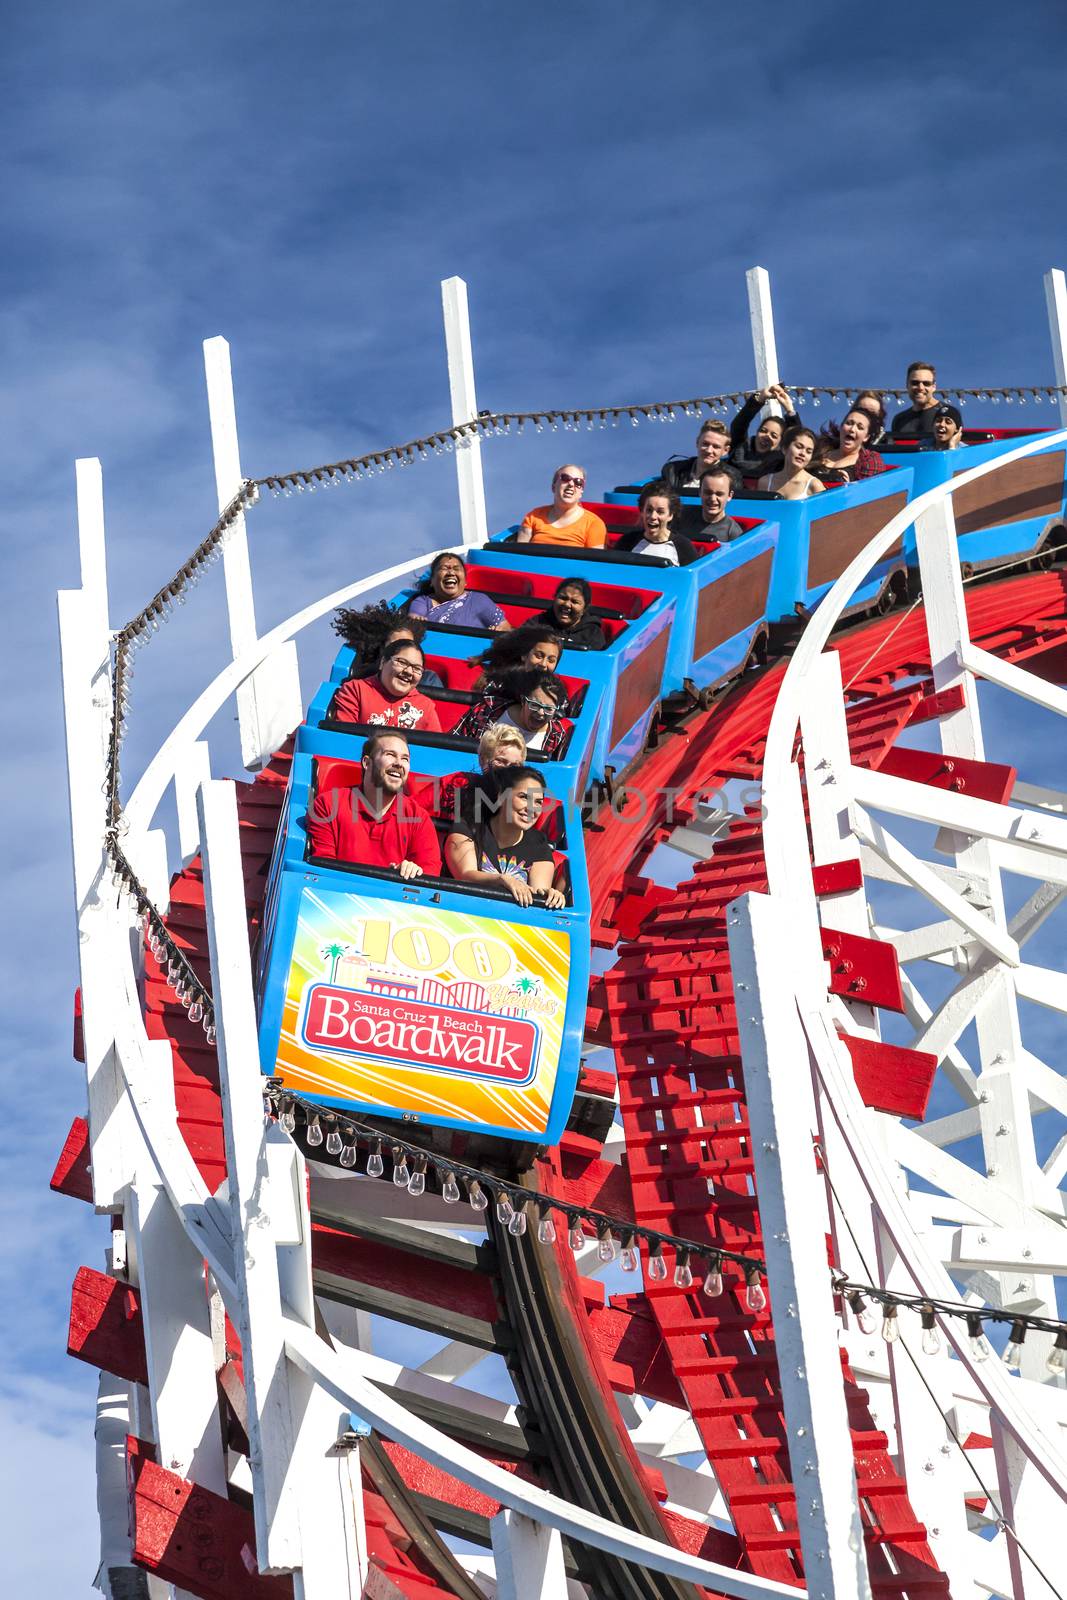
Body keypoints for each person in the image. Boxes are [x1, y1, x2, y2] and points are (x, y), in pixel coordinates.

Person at [306, 732, 441, 879]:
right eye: (390, 754)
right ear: (367, 763)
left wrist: (413, 872)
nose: (399, 763)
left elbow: (429, 877)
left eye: (405, 759)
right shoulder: (327, 805)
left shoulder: (419, 819)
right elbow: (322, 874)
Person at [445, 764, 566, 909]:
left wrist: (551, 896)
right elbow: (465, 875)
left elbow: (538, 895)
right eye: (523, 797)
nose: (531, 808)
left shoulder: (539, 846)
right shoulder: (468, 828)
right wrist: (502, 880)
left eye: (538, 802)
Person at [417, 724, 528, 824]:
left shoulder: (525, 800)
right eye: (500, 761)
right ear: (483, 759)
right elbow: (409, 813)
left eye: (514, 766)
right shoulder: (455, 783)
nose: (507, 770)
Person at [330, 639, 442, 732]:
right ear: (383, 662)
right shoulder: (355, 690)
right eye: (402, 662)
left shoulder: (426, 706)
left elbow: (436, 751)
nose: (409, 671)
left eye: (417, 669)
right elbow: (343, 739)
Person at [455, 667, 571, 756]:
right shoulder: (487, 710)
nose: (541, 712)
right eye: (535, 705)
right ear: (523, 700)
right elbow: (455, 744)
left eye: (548, 709)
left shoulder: (557, 737)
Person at [330, 602, 443, 688]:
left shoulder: (428, 679)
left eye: (408, 644)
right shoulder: (362, 681)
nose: (403, 651)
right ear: (382, 649)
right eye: (396, 645)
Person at [407, 551, 510, 631]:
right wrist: (417, 621)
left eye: (456, 569)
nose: (451, 572)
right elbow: (414, 618)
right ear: (432, 581)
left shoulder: (479, 600)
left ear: (465, 581)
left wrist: (498, 630)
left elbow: (506, 628)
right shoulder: (423, 601)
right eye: (444, 568)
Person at [515, 465, 607, 548]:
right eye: (565, 478)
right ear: (553, 487)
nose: (571, 484)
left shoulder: (594, 524)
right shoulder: (533, 516)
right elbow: (519, 553)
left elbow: (595, 564)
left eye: (578, 482)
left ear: (581, 492)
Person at [615, 481, 698, 565]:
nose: (653, 516)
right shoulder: (627, 541)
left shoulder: (683, 547)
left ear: (670, 515)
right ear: (642, 511)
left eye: (660, 512)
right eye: (649, 510)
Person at [729, 385, 801, 481]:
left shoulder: (781, 462)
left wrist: (789, 409)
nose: (767, 436)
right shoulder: (739, 448)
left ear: (781, 441)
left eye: (774, 435)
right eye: (763, 431)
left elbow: (798, 439)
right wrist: (760, 398)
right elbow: (739, 424)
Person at [470, 625, 563, 692]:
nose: (543, 664)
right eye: (539, 656)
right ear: (524, 655)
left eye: (551, 660)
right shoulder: (501, 683)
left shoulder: (555, 690)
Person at [811, 407, 887, 484]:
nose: (852, 429)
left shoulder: (869, 460)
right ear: (841, 427)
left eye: (860, 427)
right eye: (849, 423)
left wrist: (848, 487)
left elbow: (870, 490)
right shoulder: (819, 451)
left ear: (866, 437)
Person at [528, 577, 606, 651]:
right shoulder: (537, 623)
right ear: (554, 598)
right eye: (563, 598)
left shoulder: (593, 633)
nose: (567, 604)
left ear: (585, 608)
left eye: (574, 601)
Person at [659, 420, 731, 492]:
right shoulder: (673, 471)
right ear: (697, 443)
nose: (709, 450)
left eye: (716, 446)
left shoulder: (731, 477)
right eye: (705, 444)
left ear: (725, 451)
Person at [757, 426, 825, 500]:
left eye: (808, 451)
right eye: (799, 447)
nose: (803, 453)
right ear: (784, 449)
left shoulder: (815, 485)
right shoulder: (765, 482)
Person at [889, 362, 939, 440]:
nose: (920, 388)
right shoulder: (899, 420)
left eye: (926, 383)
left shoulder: (947, 415)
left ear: (934, 386)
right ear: (907, 385)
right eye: (915, 383)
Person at [694, 466, 745, 541]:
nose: (713, 499)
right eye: (708, 492)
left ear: (729, 496)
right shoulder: (682, 517)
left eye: (719, 494)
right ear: (699, 492)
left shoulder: (733, 533)